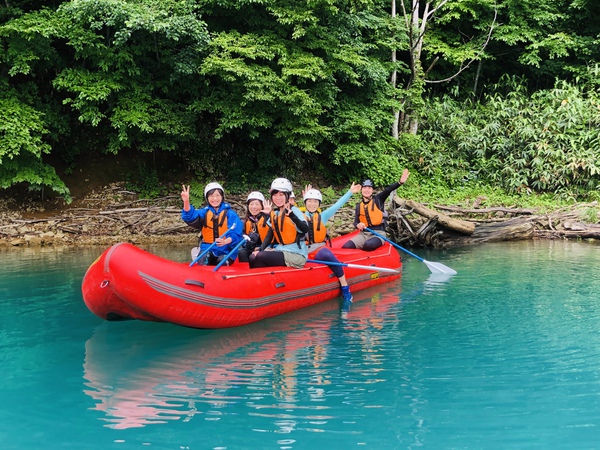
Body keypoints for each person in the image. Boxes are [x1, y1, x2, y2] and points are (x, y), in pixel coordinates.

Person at [303, 183, 361, 309]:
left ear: (319, 204)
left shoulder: (323, 216)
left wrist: (350, 192)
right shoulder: (298, 215)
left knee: (327, 254)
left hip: (317, 249)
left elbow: (337, 205)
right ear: (305, 202)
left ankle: (345, 286)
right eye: (309, 201)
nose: (312, 204)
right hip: (302, 250)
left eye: (315, 202)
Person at [342, 169, 410, 251]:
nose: (367, 190)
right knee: (346, 246)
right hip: (363, 234)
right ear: (361, 190)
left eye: (369, 188)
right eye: (365, 188)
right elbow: (356, 222)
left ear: (372, 190)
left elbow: (388, 190)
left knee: (368, 245)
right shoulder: (359, 206)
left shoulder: (378, 199)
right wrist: (358, 225)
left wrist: (400, 182)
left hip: (378, 234)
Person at [249, 178, 309, 269]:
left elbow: (305, 229)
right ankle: (259, 281)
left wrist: (293, 216)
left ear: (288, 196)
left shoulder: (294, 211)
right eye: (275, 195)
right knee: (252, 256)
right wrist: (260, 249)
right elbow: (269, 235)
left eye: (281, 195)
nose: (278, 198)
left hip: (296, 254)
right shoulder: (275, 213)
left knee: (261, 256)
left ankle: (262, 281)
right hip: (281, 249)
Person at [181, 182, 244, 266]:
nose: (214, 198)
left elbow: (237, 233)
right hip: (207, 248)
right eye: (211, 196)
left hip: (226, 249)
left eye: (217, 195)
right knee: (203, 258)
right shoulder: (204, 212)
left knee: (222, 261)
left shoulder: (231, 214)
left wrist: (226, 241)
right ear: (207, 198)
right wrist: (186, 202)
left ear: (222, 197)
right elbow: (190, 216)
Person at [237, 191, 271, 263]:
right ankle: (246, 272)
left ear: (262, 206)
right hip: (252, 248)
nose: (254, 207)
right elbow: (242, 239)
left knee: (256, 256)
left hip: (267, 248)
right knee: (242, 253)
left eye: (257, 204)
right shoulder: (246, 222)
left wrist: (269, 215)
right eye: (251, 204)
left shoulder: (268, 218)